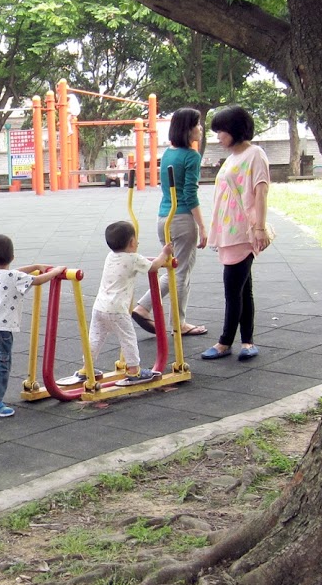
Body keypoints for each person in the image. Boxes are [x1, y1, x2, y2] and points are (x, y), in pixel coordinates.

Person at [200, 105, 271, 362]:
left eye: (221, 130)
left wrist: (260, 228)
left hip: (243, 231)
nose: (218, 136)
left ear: (235, 129)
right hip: (229, 231)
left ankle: (225, 342)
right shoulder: (232, 157)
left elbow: (261, 191)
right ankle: (247, 342)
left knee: (233, 289)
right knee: (243, 289)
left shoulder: (255, 154)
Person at [131, 108, 209, 337]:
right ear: (187, 129)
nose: (201, 129)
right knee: (181, 272)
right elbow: (190, 195)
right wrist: (202, 226)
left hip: (164, 217)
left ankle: (170, 318)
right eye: (197, 124)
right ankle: (156, 313)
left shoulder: (168, 154)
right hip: (183, 218)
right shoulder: (191, 156)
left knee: (175, 268)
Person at [0, 234, 65, 417]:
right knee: (2, 367)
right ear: (12, 257)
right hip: (0, 332)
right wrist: (56, 271)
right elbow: (38, 280)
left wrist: (34, 267)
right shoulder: (14, 277)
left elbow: (16, 273)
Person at [85, 221, 173, 386]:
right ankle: (134, 370)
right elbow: (153, 267)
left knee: (95, 337)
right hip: (117, 309)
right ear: (132, 242)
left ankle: (86, 368)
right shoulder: (133, 258)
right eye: (136, 240)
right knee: (128, 338)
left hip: (99, 307)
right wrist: (164, 253)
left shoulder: (110, 256)